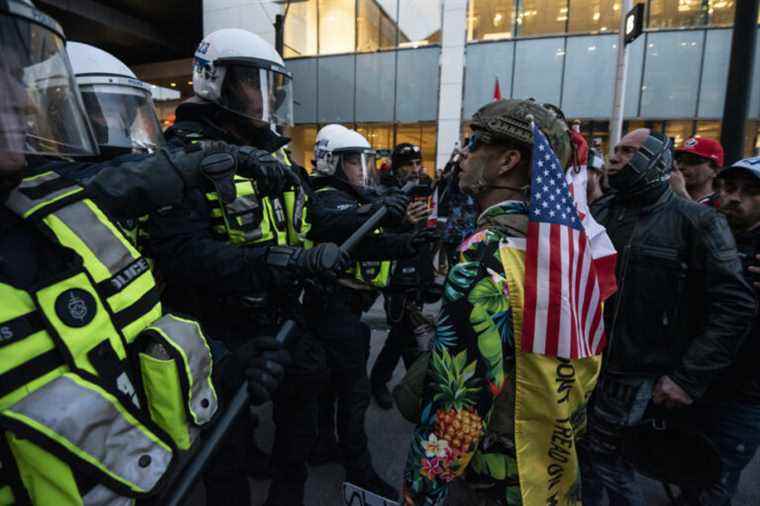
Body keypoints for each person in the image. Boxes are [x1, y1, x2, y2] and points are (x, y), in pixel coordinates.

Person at [0, 1, 291, 504]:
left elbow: (113, 359)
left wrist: (218, 372)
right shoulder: (66, 210)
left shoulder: (48, 218)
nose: (23, 104)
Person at [145, 28, 348, 506]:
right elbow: (177, 253)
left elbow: (308, 217)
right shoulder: (182, 157)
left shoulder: (273, 153)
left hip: (284, 318)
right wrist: (272, 263)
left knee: (299, 427)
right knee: (226, 456)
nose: (267, 97)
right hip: (217, 330)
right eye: (254, 83)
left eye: (272, 85)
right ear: (216, 82)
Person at [402, 99, 602, 506]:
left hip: (489, 480)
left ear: (508, 161)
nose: (463, 154)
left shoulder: (485, 254)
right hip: (549, 465)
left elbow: (458, 408)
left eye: (474, 142)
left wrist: (417, 494)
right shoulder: (573, 247)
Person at [582, 129, 755, 506]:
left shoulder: (698, 222)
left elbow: (736, 306)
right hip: (590, 368)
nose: (615, 158)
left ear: (657, 160)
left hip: (643, 376)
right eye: (616, 150)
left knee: (616, 469)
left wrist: (687, 378)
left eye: (629, 151)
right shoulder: (603, 211)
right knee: (588, 464)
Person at [305, 125, 438, 500]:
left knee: (331, 387)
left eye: (365, 162)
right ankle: (359, 470)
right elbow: (346, 226)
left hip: (344, 308)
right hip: (331, 308)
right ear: (331, 161)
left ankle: (324, 445)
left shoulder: (353, 196)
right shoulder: (324, 195)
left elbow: (368, 239)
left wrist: (407, 239)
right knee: (353, 394)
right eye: (352, 162)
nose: (362, 171)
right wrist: (391, 221)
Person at [676, 156, 760, 505]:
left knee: (716, 484)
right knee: (684, 473)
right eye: (730, 188)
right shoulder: (703, 235)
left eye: (751, 192)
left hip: (743, 392)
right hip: (691, 382)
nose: (735, 198)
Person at [371, 142, 438, 409]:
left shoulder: (422, 189)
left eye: (417, 163)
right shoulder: (384, 192)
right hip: (395, 274)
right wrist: (402, 222)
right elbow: (377, 237)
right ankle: (382, 381)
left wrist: (428, 275)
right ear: (396, 167)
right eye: (408, 165)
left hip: (418, 270)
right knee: (402, 331)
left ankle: (413, 387)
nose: (414, 169)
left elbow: (423, 233)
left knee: (410, 330)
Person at [672, 136, 725, 207]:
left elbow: (703, 217)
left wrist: (681, 193)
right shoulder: (668, 196)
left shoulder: (723, 202)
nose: (680, 166)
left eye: (691, 161)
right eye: (679, 160)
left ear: (715, 171)